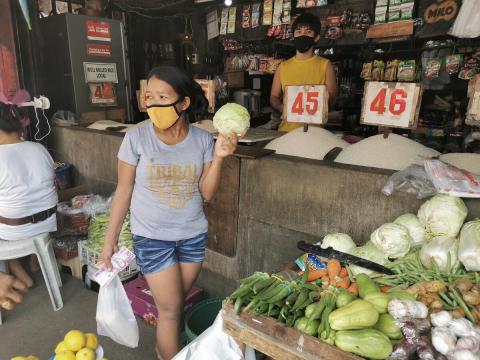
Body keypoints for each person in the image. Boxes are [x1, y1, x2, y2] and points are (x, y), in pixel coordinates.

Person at [100, 66, 237, 360]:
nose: (153, 104)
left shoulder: (202, 140)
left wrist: (220, 159)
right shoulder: (136, 138)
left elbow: (208, 193)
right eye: (149, 96)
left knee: (171, 309)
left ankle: (164, 348)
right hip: (152, 238)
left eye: (163, 96)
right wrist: (109, 241)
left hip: (192, 236)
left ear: (183, 102)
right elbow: (123, 191)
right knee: (172, 310)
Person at [0, 100, 58, 289]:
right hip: (47, 224)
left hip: (14, 229)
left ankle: (21, 275)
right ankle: (35, 259)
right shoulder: (39, 149)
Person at [270, 13, 338, 132]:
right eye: (298, 32)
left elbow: (332, 97)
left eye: (308, 32)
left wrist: (318, 104)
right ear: (294, 36)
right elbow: (274, 97)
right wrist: (283, 108)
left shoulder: (326, 65)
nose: (302, 35)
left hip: (315, 132)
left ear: (316, 37)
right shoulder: (283, 67)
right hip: (286, 132)